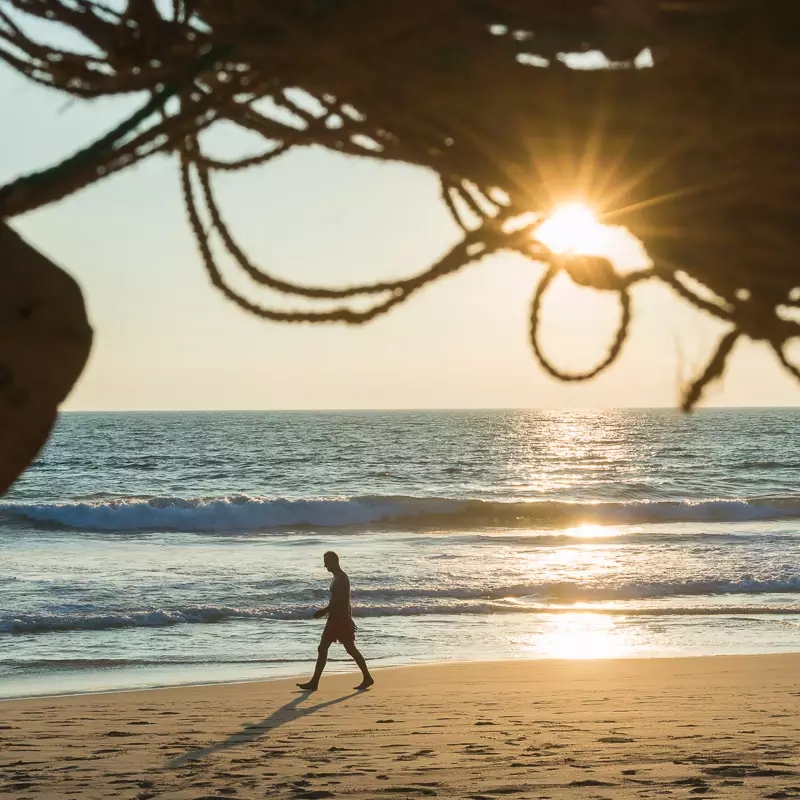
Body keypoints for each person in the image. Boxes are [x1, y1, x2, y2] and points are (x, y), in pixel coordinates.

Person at [297, 551, 374, 692]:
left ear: (334, 561)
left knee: (349, 649)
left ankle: (367, 677)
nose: (325, 565)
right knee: (323, 648)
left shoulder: (341, 579)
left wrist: (324, 611)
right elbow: (343, 602)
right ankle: (314, 682)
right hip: (336, 618)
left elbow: (340, 601)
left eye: (327, 561)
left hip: (340, 620)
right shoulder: (338, 577)